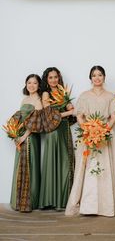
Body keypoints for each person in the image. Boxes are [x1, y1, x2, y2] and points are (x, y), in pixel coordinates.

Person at [65, 65, 115, 217]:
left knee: (105, 168)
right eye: (94, 75)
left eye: (100, 75)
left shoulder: (110, 96)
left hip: (105, 135)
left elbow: (113, 116)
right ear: (90, 78)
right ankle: (88, 205)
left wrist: (103, 130)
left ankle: (106, 205)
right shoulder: (84, 96)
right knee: (87, 167)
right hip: (88, 135)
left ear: (104, 77)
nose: (97, 78)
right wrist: (89, 129)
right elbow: (79, 116)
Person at [39, 67, 74, 210]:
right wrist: (69, 112)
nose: (54, 80)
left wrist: (70, 106)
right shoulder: (46, 94)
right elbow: (49, 115)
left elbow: (70, 109)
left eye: (56, 77)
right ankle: (52, 200)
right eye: (50, 77)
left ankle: (64, 200)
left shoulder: (62, 92)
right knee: (55, 163)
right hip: (53, 132)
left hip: (64, 130)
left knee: (66, 164)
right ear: (46, 80)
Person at [10, 74, 43, 212]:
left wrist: (24, 136)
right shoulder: (24, 100)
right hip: (21, 137)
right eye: (29, 83)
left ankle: (28, 202)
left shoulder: (39, 101)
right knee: (20, 166)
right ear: (26, 84)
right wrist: (15, 134)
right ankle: (18, 201)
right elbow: (20, 120)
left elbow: (36, 122)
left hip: (30, 138)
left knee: (30, 165)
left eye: (34, 83)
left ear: (38, 85)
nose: (31, 85)